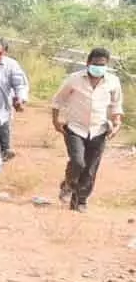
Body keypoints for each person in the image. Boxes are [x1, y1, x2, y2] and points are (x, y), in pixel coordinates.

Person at [51, 48, 124, 212]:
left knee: (91, 168)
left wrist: (117, 121)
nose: (98, 67)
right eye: (95, 64)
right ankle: (68, 184)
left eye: (102, 65)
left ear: (107, 65)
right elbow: (58, 100)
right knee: (77, 162)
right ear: (88, 63)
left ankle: (80, 201)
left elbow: (116, 105)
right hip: (75, 128)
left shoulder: (113, 82)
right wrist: (56, 120)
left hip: (99, 130)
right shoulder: (74, 79)